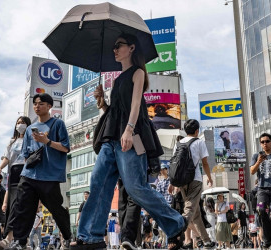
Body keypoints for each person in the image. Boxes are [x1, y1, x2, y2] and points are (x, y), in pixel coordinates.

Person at [71, 33, 186, 250]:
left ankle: (176, 223)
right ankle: (91, 238)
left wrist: (129, 130)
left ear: (131, 48)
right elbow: (115, 112)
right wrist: (102, 102)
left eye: (119, 46)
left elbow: (135, 106)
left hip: (130, 137)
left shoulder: (138, 73)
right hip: (110, 138)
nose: (115, 49)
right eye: (114, 47)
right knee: (98, 184)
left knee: (135, 188)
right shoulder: (116, 80)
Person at [6, 93, 71, 250]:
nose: (37, 106)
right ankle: (20, 241)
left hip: (49, 176)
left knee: (56, 208)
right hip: (29, 174)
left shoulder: (57, 124)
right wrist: (28, 158)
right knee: (22, 207)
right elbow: (25, 152)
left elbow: (65, 147)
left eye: (41, 103)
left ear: (49, 106)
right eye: (35, 103)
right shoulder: (29, 129)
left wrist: (46, 141)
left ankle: (68, 236)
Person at [170, 119, 215, 249]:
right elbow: (205, 163)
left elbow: (174, 164)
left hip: (181, 181)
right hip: (195, 179)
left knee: (196, 214)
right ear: (197, 131)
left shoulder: (178, 144)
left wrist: (172, 182)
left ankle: (206, 241)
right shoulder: (199, 142)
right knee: (190, 209)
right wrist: (209, 177)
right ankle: (176, 234)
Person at [0, 116, 31, 249]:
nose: (20, 125)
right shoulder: (12, 142)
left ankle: (8, 239)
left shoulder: (32, 139)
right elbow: (7, 158)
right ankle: (21, 241)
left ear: (28, 125)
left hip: (26, 172)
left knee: (19, 205)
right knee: (13, 206)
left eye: (23, 123)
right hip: (13, 174)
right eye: (18, 123)